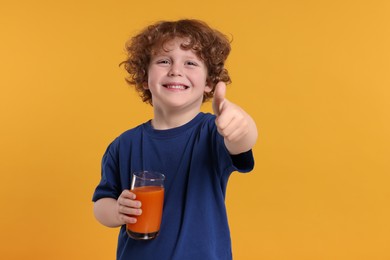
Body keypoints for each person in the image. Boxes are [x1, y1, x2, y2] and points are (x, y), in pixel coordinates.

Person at [92, 19, 258, 260]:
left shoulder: (213, 133)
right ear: (145, 77)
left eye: (190, 62)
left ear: (209, 83)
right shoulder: (123, 145)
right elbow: (101, 203)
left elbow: (242, 142)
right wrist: (117, 211)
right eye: (163, 61)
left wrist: (240, 125)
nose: (176, 70)